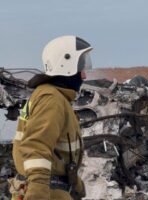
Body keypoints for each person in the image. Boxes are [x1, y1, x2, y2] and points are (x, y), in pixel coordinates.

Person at [10, 35, 93, 199]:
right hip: (47, 192)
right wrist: (37, 191)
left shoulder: (54, 97)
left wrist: (74, 182)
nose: (84, 76)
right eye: (81, 67)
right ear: (66, 64)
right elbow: (36, 146)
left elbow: (58, 154)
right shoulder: (52, 99)